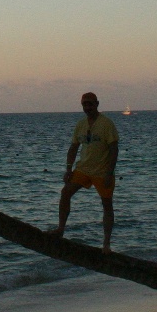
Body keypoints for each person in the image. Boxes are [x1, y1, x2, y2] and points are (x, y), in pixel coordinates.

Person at [47, 91, 118, 252]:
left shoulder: (106, 124)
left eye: (90, 104)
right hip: (83, 170)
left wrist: (109, 172)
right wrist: (68, 169)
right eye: (84, 104)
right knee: (65, 192)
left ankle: (106, 244)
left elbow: (114, 149)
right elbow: (73, 147)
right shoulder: (81, 124)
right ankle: (60, 229)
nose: (87, 107)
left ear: (97, 104)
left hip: (102, 172)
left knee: (107, 205)